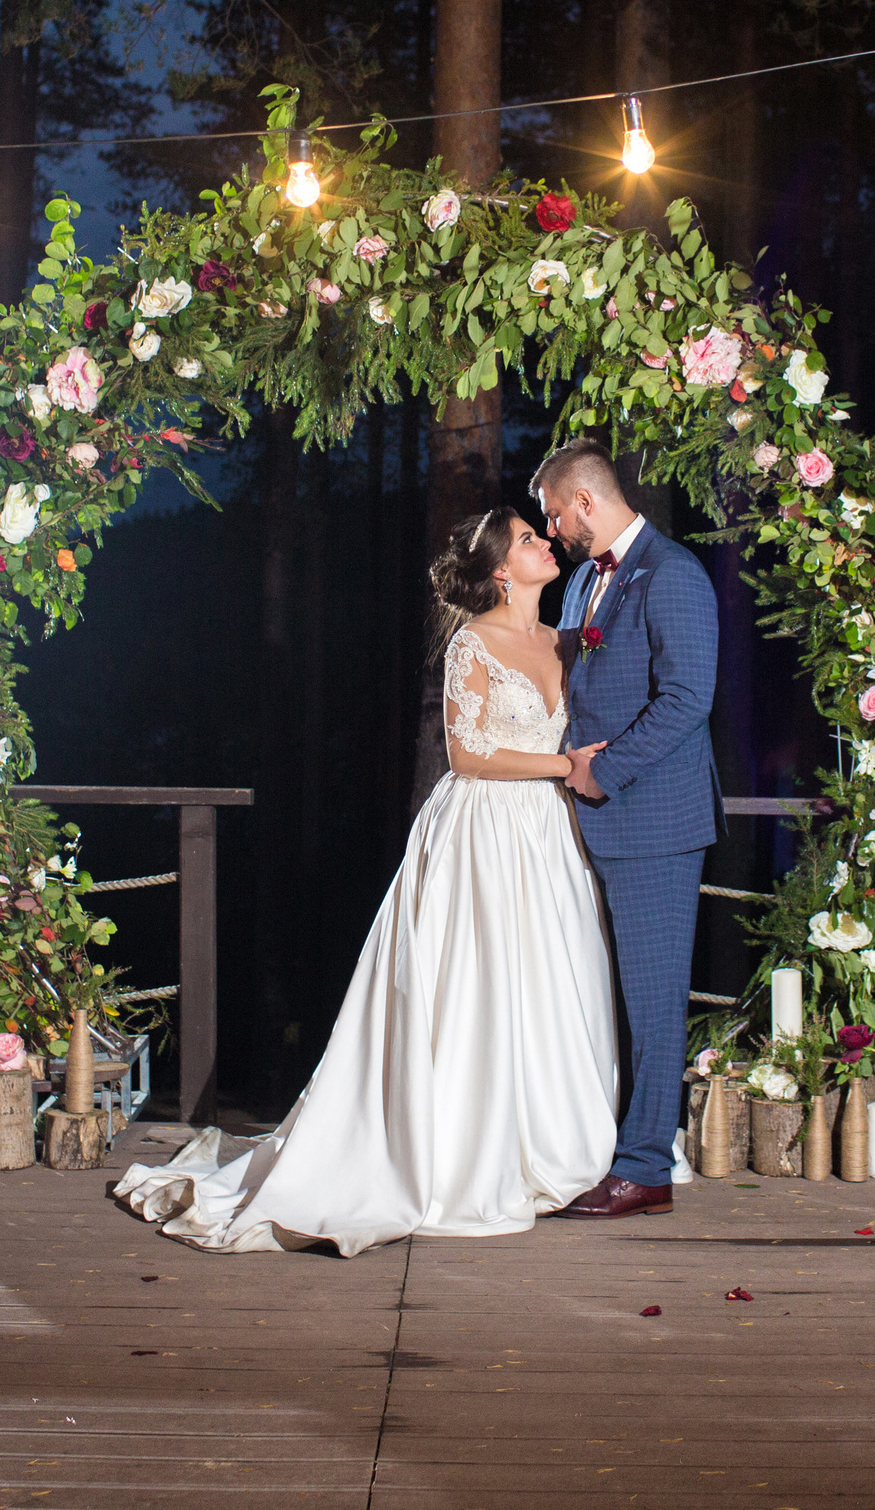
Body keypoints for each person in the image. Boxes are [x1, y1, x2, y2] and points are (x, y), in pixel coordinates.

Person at [112, 508, 619, 1254]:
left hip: (546, 835)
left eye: (538, 535)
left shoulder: (560, 641)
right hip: (483, 832)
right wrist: (564, 767)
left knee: (546, 980)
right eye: (526, 538)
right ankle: (457, 1151)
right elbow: (470, 750)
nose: (545, 542)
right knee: (476, 987)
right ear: (502, 570)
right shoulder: (473, 642)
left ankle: (542, 1142)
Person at [534, 438, 721, 1221]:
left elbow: (686, 700)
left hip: (653, 822)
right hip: (590, 824)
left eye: (553, 515)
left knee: (650, 998)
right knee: (596, 995)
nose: (550, 531)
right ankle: (600, 1143)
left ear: (584, 502)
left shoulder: (672, 574)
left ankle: (645, 1166)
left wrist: (601, 772)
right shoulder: (582, 579)